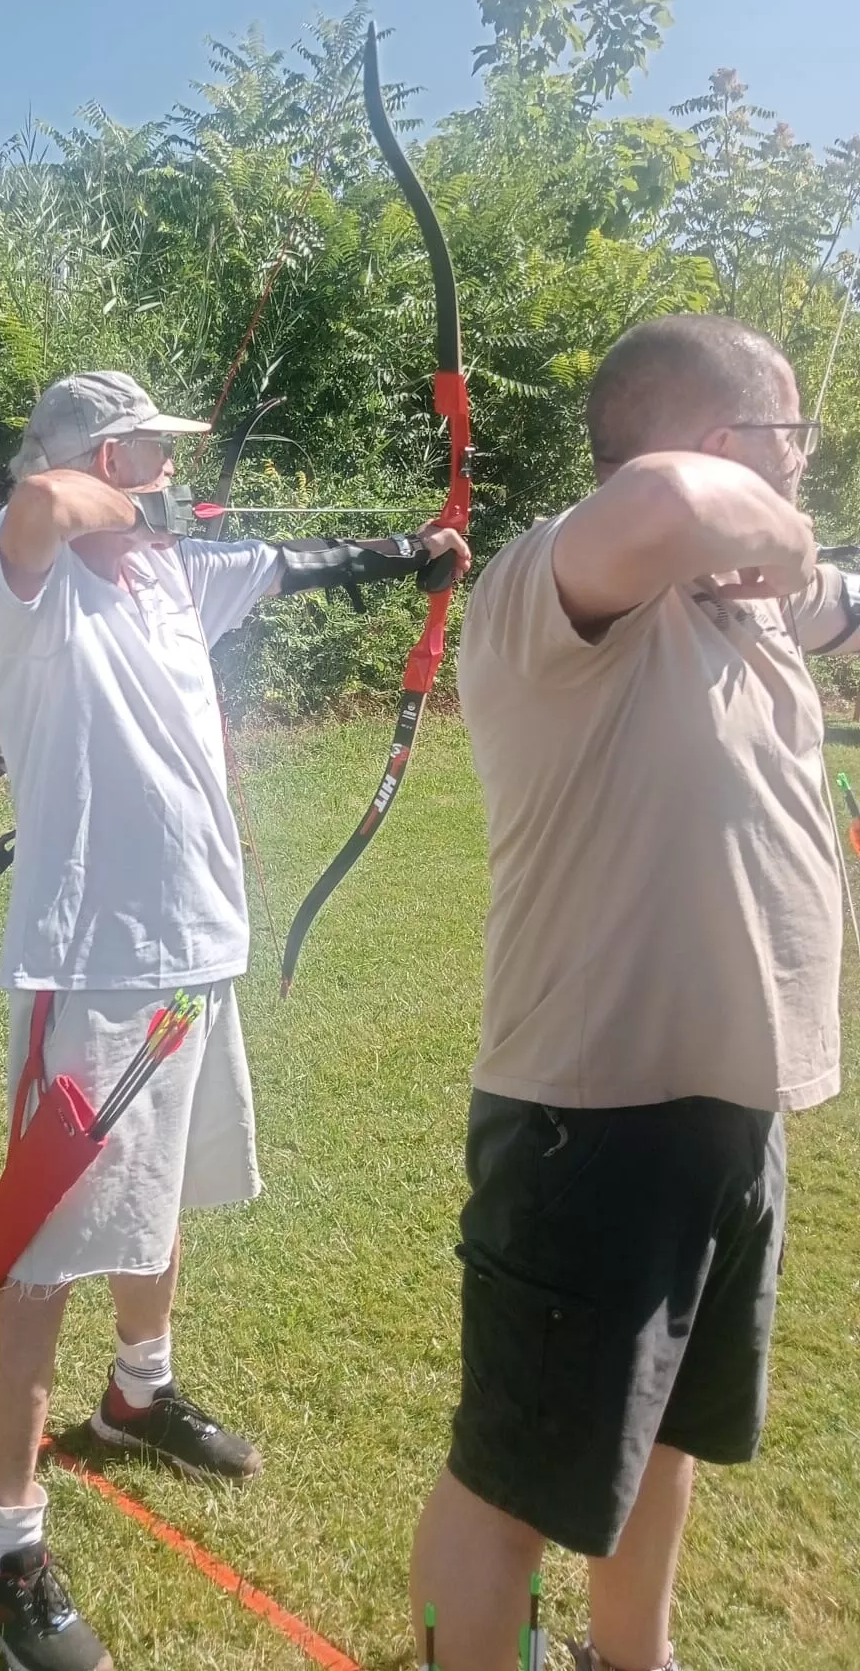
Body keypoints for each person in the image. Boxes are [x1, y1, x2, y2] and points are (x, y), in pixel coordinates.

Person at [0, 370, 471, 1671]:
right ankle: (1, 1551)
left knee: (161, 1194)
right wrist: (131, 508)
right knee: (42, 1257)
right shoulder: (22, 589)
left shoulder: (172, 581)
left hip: (193, 948)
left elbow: (296, 564)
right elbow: (39, 502)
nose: (174, 476)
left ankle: (139, 1392)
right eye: (151, 458)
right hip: (92, 965)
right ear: (105, 462)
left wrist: (416, 549)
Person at [409, 314, 847, 1671]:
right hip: (593, 1118)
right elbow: (663, 501)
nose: (808, 460)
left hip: (733, 1106)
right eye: (794, 436)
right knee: (509, 1485)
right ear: (728, 443)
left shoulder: (745, 600)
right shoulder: (554, 589)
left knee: (664, 1430)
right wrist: (785, 541)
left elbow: (837, 596)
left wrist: (794, 571)